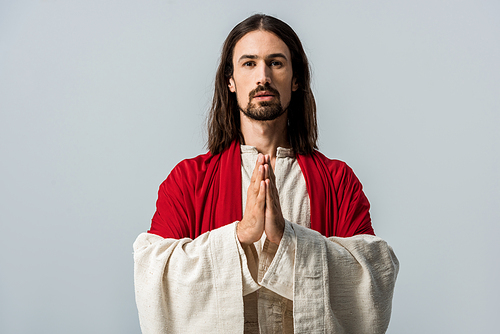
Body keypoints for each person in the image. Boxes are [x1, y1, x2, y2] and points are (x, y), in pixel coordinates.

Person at [134, 14, 399, 334]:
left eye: (276, 63)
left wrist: (290, 239)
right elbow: (154, 273)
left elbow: (372, 274)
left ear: (296, 79)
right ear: (230, 81)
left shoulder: (337, 180)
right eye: (249, 63)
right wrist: (239, 236)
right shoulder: (189, 179)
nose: (263, 76)